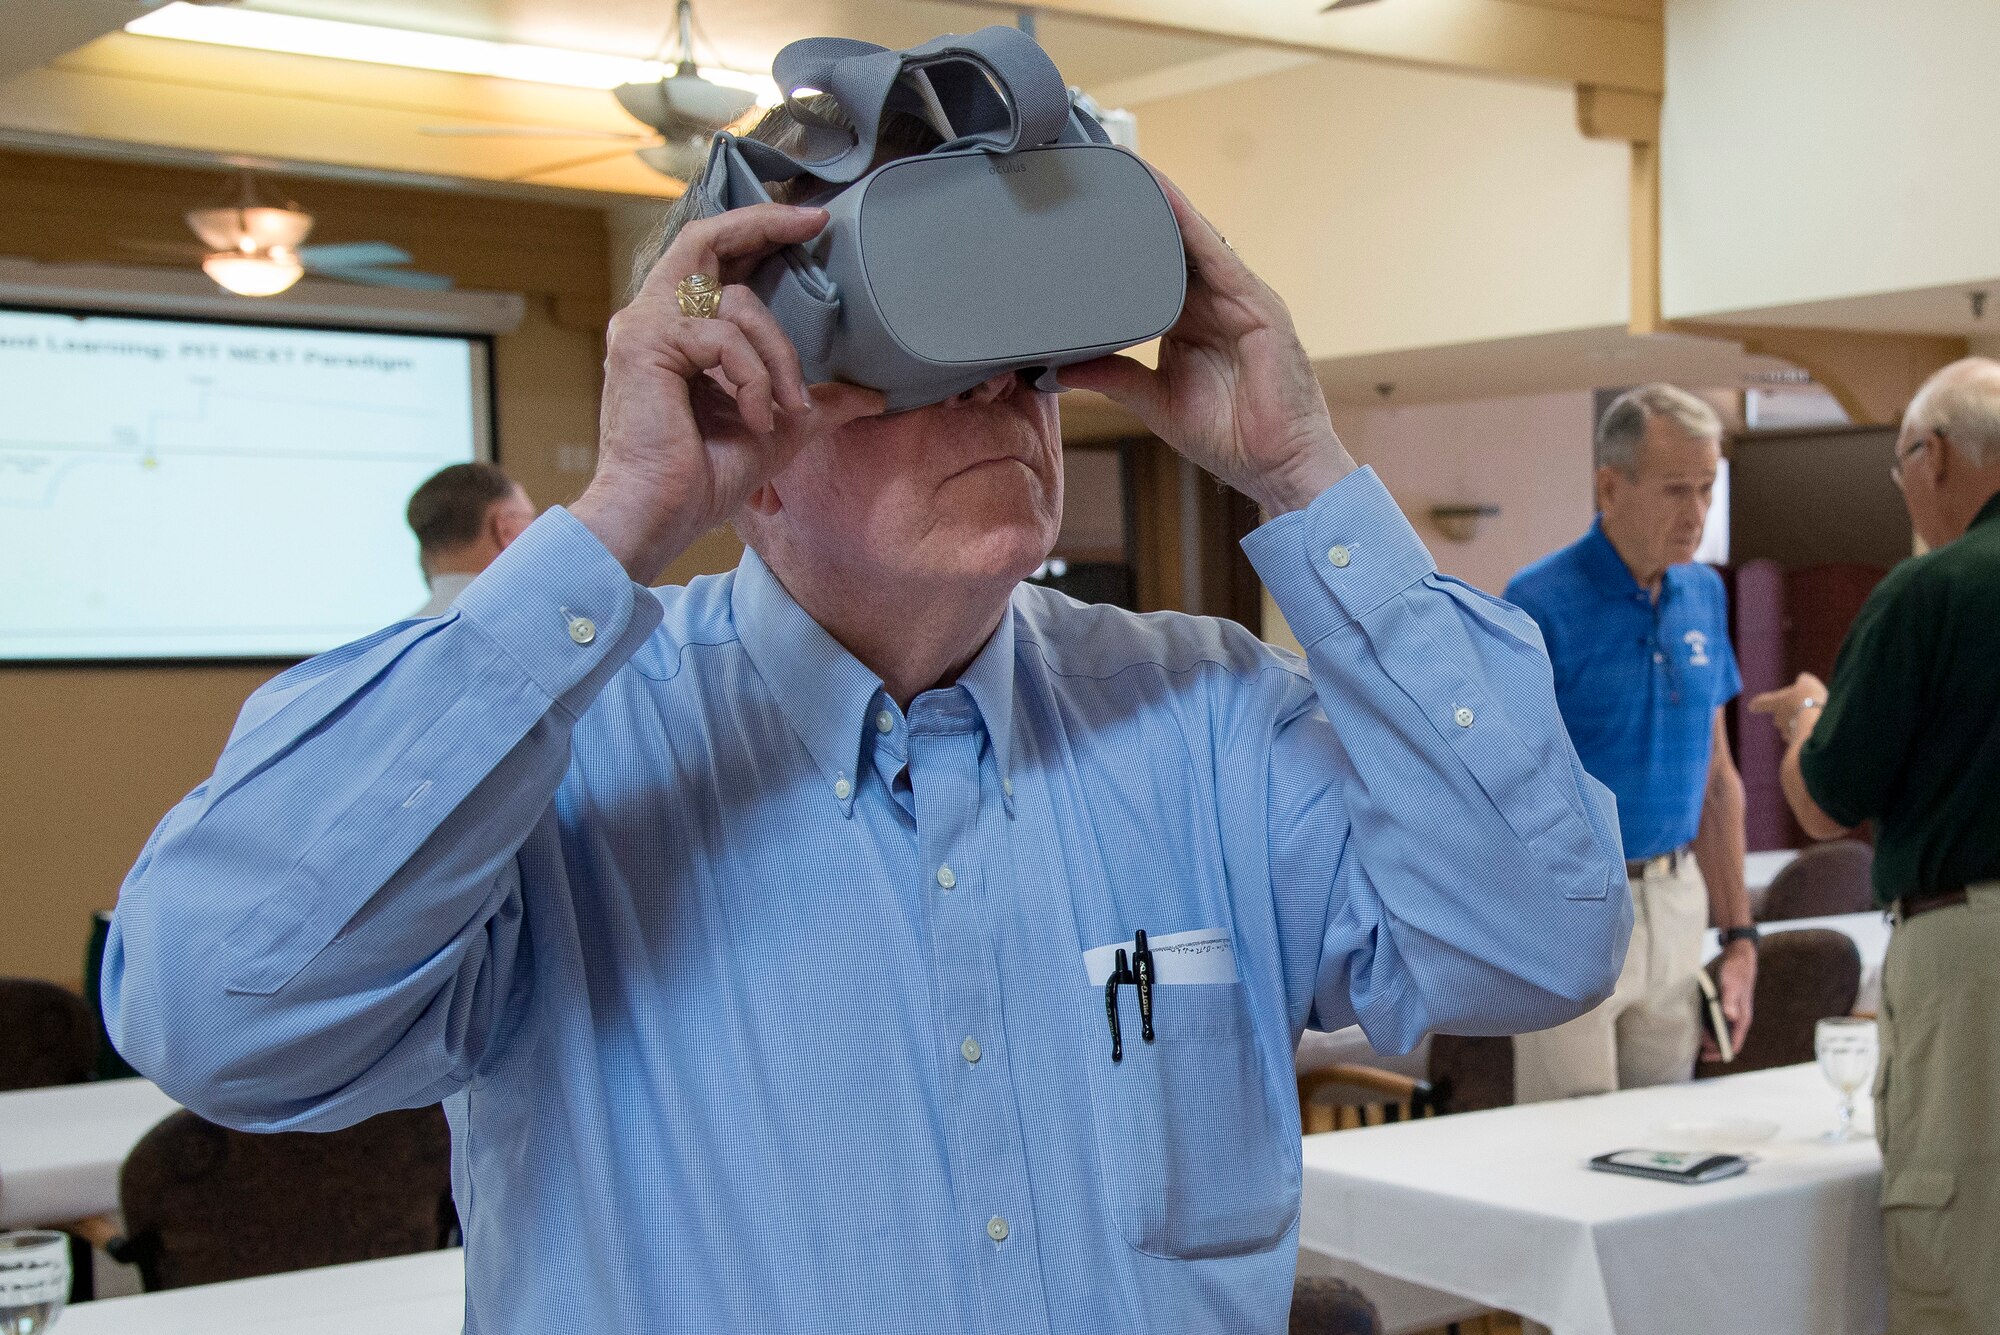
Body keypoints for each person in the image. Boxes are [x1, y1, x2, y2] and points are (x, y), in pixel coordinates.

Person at [102, 99, 1630, 1334]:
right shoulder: (568, 760)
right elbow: (217, 1012)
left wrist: (1307, 473)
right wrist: (624, 514)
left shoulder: (1205, 717)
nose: (1009, 402)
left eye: (1028, 363)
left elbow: (1542, 939)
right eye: (922, 369)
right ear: (748, 430)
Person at [1750, 357, 2000, 1335]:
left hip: (1971, 956)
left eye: (1900, 469)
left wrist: (1808, 719)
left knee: (1956, 1254)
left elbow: (1822, 802)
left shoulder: (1930, 591)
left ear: (1930, 454)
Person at [1503, 385, 1756, 1102]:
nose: (1698, 512)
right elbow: (1503, 788)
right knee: (1572, 1143)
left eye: (1708, 488)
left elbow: (1718, 780)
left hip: (1678, 896)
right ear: (1610, 487)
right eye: (1678, 489)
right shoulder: (1538, 602)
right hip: (1573, 901)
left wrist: (1741, 937)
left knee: (1661, 1136)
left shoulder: (1705, 594)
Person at [404, 461, 536, 615]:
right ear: (505, 529)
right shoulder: (538, 626)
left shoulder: (399, 637)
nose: (534, 530)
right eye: (530, 518)